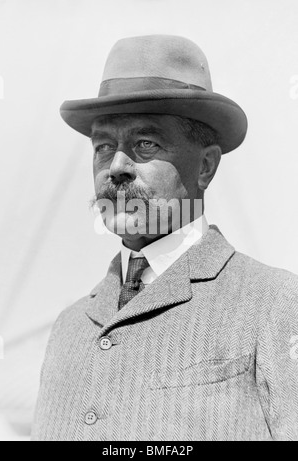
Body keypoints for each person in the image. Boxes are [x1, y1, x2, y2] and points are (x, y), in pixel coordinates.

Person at [32, 35, 298, 441]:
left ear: (205, 166)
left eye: (145, 144)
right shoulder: (69, 329)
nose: (116, 166)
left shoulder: (275, 304)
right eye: (103, 146)